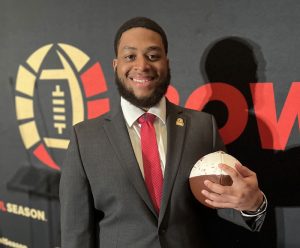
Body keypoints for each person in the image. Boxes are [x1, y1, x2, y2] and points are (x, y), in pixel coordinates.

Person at [59, 17, 267, 248]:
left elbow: (224, 202)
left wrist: (253, 204)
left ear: (166, 63)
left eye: (152, 56)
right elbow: (76, 233)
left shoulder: (202, 127)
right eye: (130, 56)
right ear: (116, 65)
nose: (142, 65)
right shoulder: (85, 138)